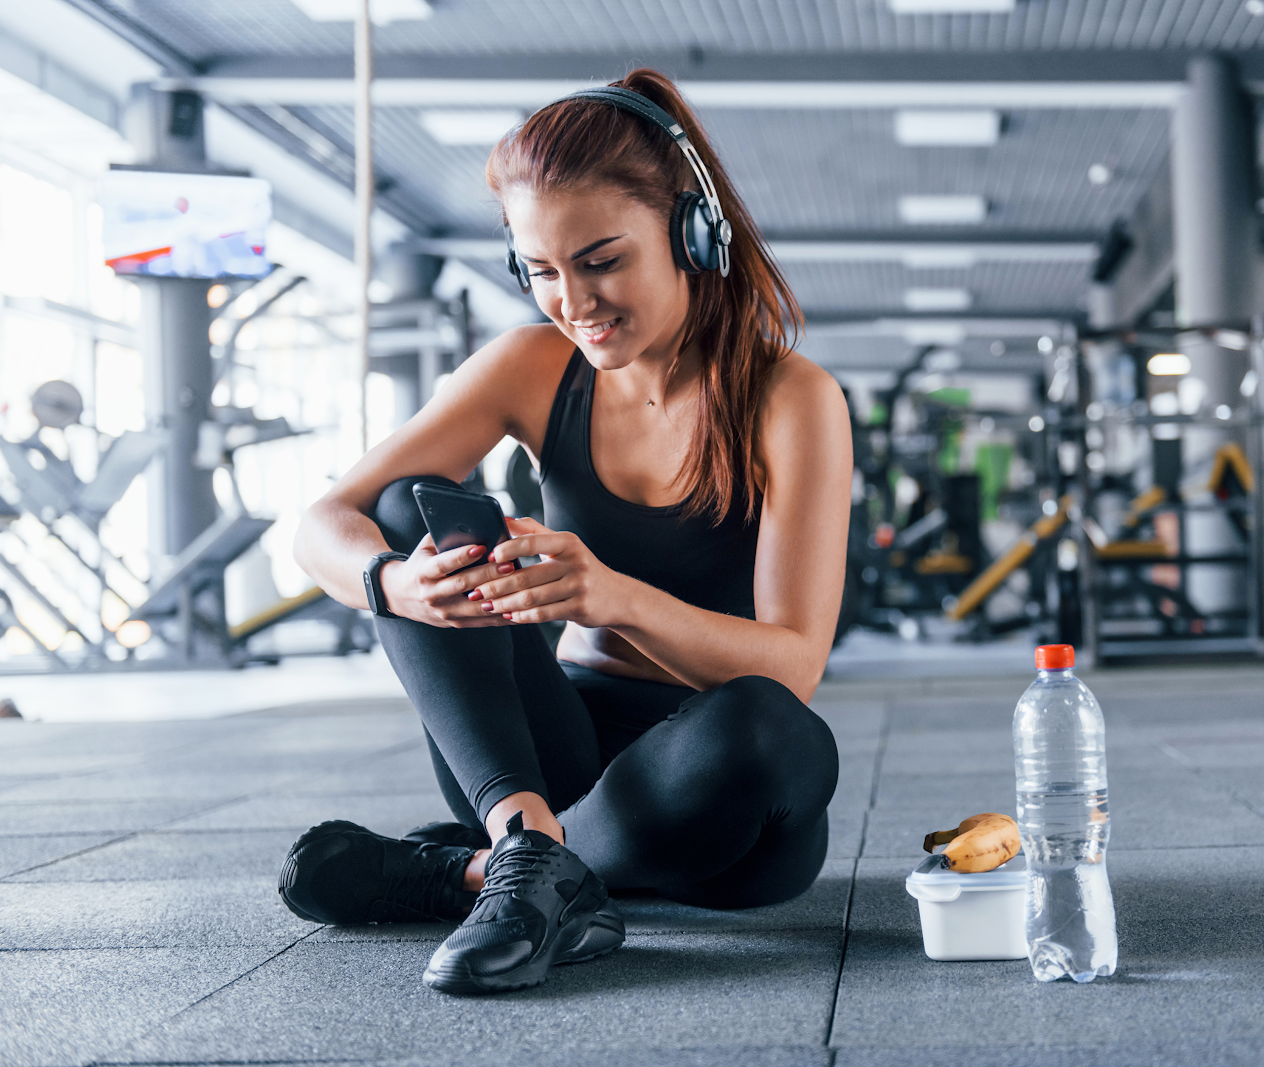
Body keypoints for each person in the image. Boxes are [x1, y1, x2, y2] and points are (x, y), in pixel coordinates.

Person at [279, 69, 852, 996]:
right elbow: (321, 524)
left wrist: (608, 595)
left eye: (601, 260)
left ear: (691, 234)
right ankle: (526, 846)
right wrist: (394, 585)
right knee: (404, 512)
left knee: (772, 727)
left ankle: (482, 872)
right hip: (547, 757)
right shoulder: (532, 365)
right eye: (540, 270)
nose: (572, 302)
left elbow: (792, 666)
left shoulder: (792, 399)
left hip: (711, 791)